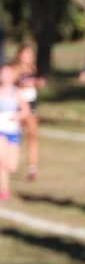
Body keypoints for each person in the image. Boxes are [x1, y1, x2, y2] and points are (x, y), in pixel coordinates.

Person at [13, 43, 45, 180]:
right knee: (15, 136)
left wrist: (39, 83)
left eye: (31, 54)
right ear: (19, 55)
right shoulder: (15, 70)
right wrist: (21, 83)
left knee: (33, 135)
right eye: (26, 54)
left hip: (32, 105)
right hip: (18, 106)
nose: (28, 57)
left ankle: (32, 167)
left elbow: (40, 82)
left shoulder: (34, 69)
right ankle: (10, 161)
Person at [0, 62, 31, 201]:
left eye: (8, 74)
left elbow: (26, 111)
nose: (5, 76)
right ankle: (4, 190)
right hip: (1, 131)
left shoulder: (17, 92)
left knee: (11, 166)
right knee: (1, 160)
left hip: (13, 131)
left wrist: (17, 116)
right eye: (3, 73)